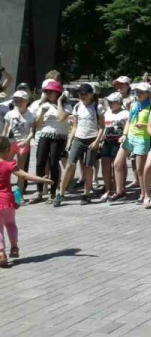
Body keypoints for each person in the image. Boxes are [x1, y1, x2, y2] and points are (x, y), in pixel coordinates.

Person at [0, 136, 54, 267]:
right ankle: (14, 246)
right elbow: (24, 175)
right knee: (11, 223)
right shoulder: (9, 164)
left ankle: (1, 253)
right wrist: (42, 180)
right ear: (7, 149)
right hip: (7, 200)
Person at [58, 83, 105, 207]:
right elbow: (75, 126)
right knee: (69, 164)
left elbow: (102, 127)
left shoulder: (97, 107)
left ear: (91, 94)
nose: (82, 96)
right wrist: (70, 141)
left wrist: (97, 141)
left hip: (92, 139)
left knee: (88, 167)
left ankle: (86, 193)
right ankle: (61, 193)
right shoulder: (77, 106)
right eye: (80, 94)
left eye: (84, 94)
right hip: (79, 138)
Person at [111, 83, 151, 203]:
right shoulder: (133, 105)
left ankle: (144, 193)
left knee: (140, 169)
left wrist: (144, 125)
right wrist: (124, 135)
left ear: (148, 94)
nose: (138, 94)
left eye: (141, 92)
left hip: (142, 138)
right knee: (117, 164)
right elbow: (129, 121)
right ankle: (120, 191)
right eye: (137, 91)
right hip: (129, 137)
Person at [31, 80, 71, 204]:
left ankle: (53, 193)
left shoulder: (66, 106)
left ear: (59, 93)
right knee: (40, 163)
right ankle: (39, 191)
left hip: (59, 136)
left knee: (54, 163)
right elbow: (37, 125)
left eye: (51, 91)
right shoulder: (43, 105)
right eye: (47, 91)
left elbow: (61, 118)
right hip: (44, 135)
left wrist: (59, 102)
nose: (49, 94)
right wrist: (42, 112)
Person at [2, 90, 34, 197]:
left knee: (20, 170)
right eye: (16, 100)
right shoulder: (10, 114)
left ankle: (19, 194)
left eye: (20, 100)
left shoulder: (30, 115)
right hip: (9, 144)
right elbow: (5, 130)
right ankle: (5, 191)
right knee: (5, 168)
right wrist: (3, 143)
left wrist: (25, 141)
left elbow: (31, 133)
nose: (18, 102)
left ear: (26, 101)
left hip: (22, 145)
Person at [100, 92, 128, 201]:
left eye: (112, 102)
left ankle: (120, 189)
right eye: (109, 102)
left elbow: (127, 127)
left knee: (119, 165)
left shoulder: (126, 113)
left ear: (119, 103)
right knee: (105, 165)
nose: (110, 104)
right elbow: (103, 126)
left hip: (119, 141)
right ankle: (108, 189)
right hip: (107, 141)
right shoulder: (107, 113)